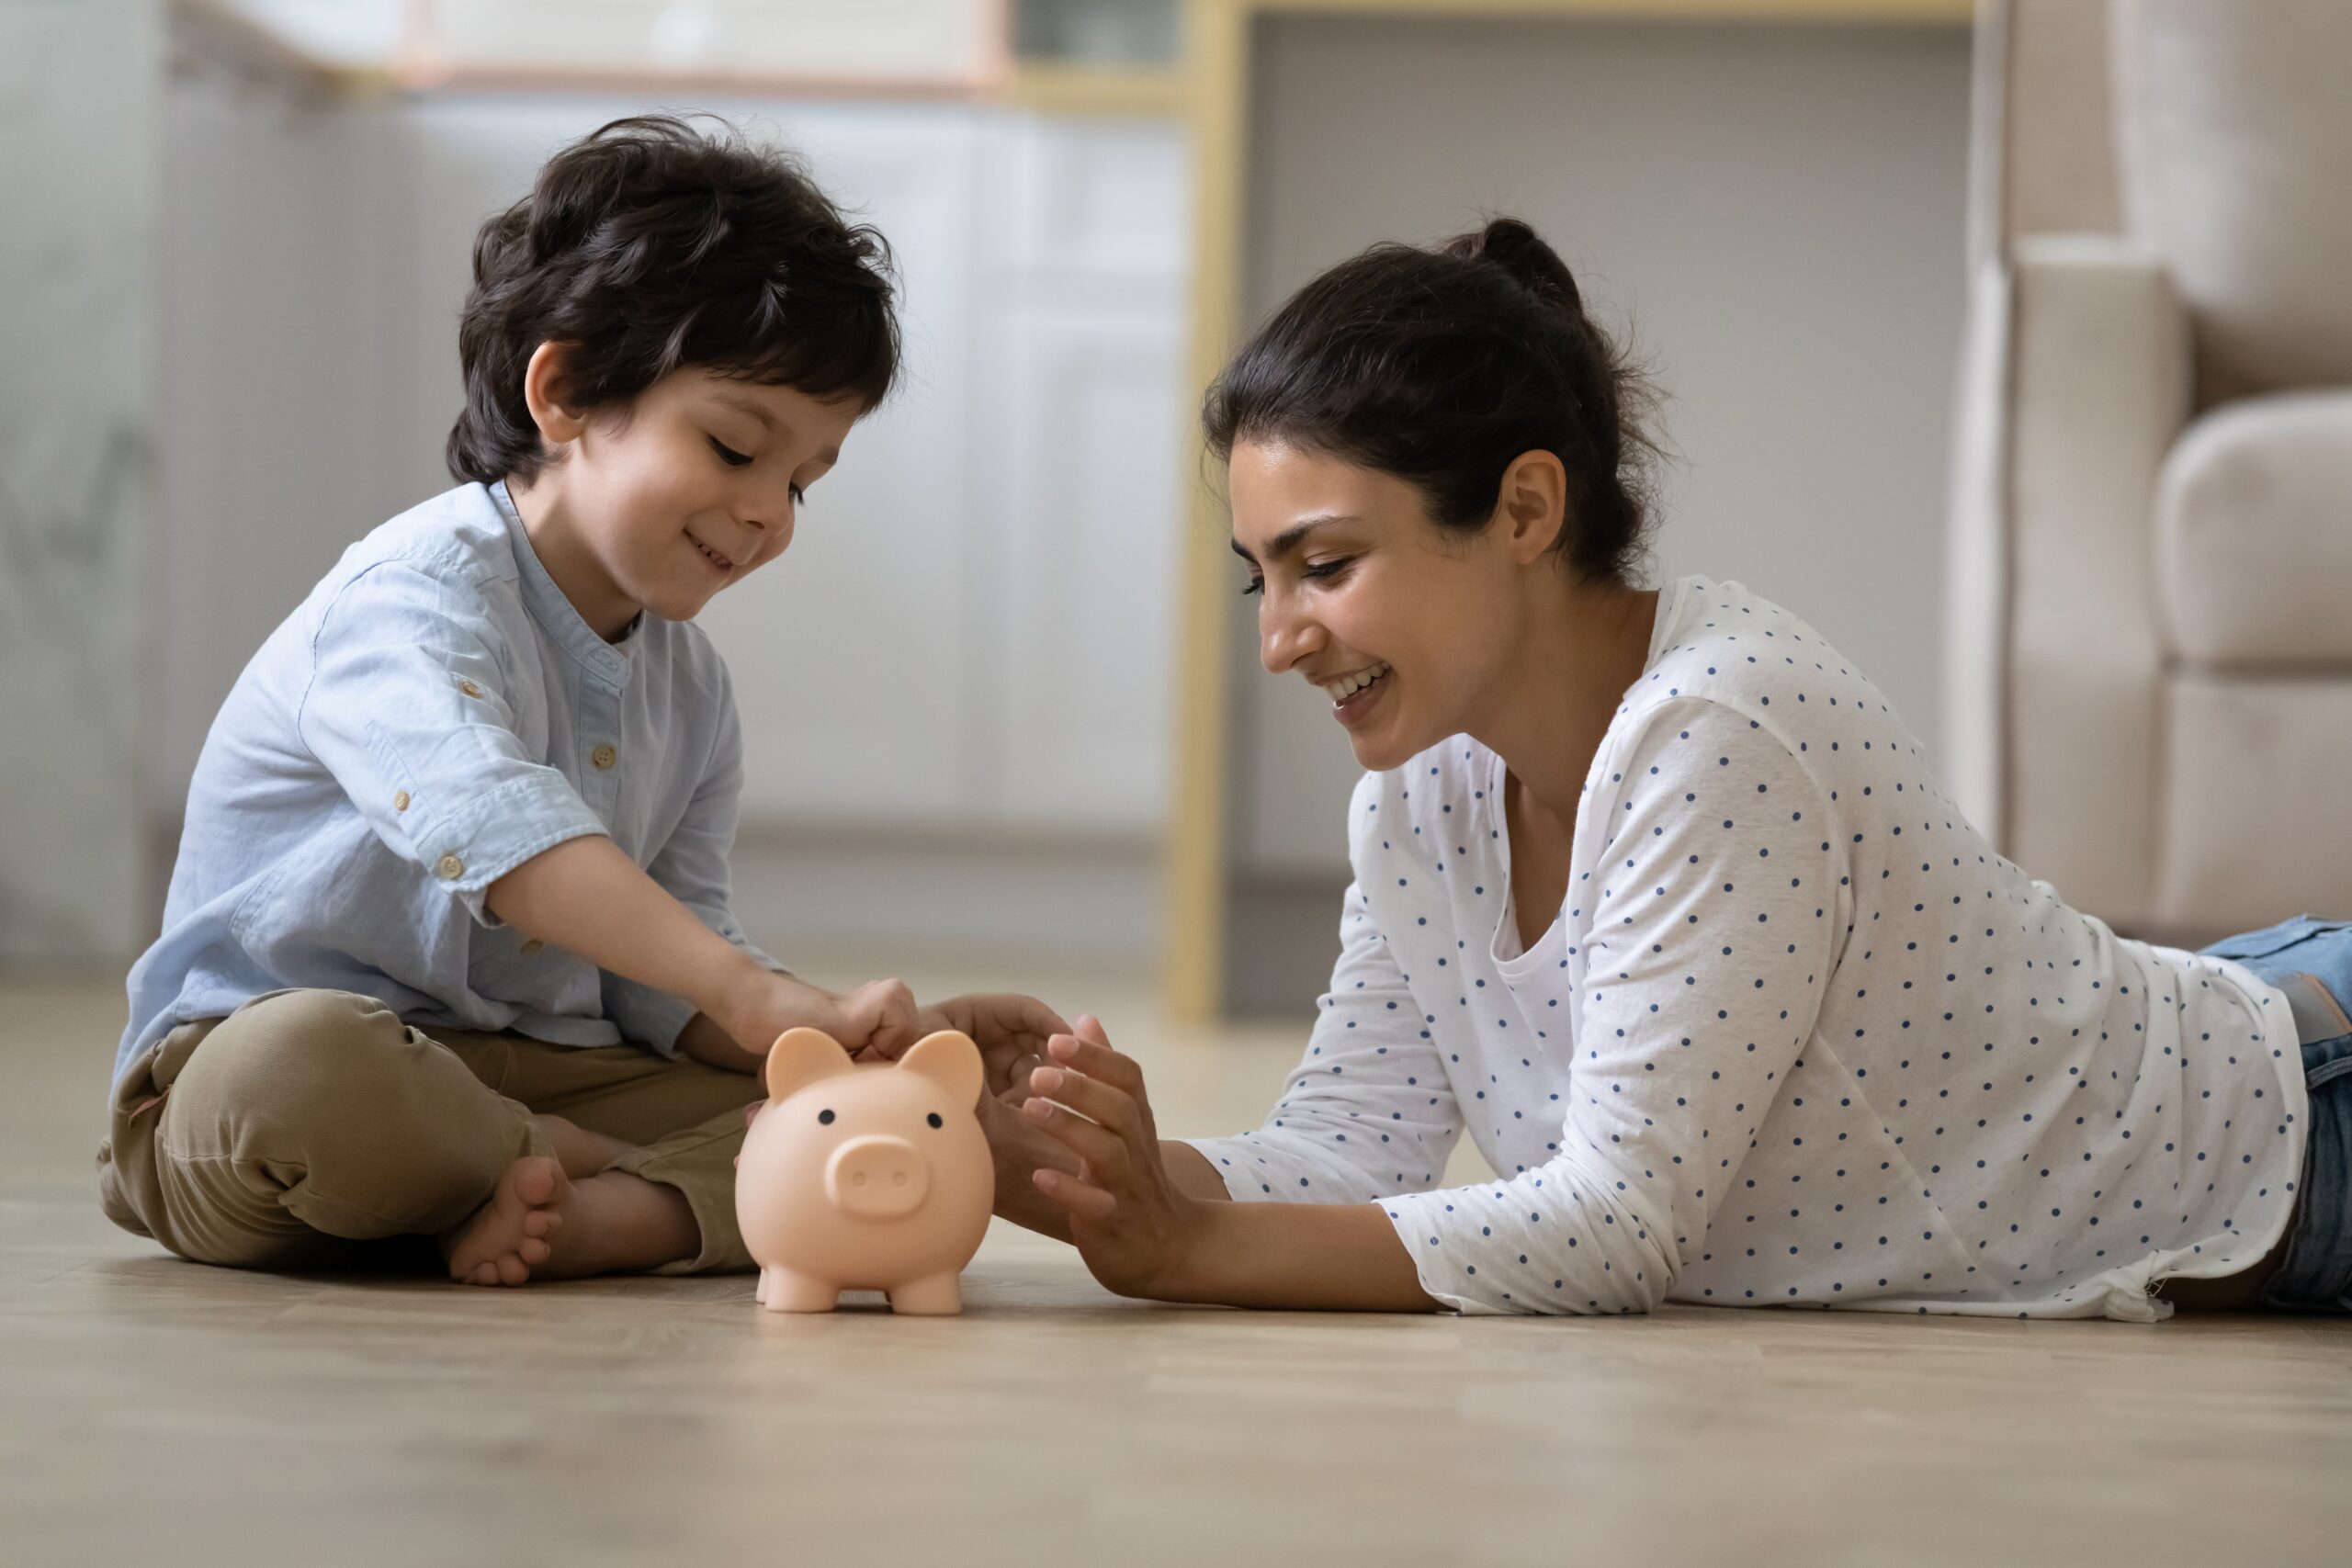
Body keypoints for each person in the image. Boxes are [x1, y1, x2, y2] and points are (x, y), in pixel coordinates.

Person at [987, 218, 2346, 1319]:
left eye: (1327, 565)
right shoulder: (1421, 798)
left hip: (2311, 1118)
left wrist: (1184, 1252)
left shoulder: (1721, 731)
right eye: (1261, 580)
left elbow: (1611, 1224)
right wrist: (1031, 1155)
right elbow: (1342, 1153)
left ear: (1526, 508)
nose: (1282, 638)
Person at [97, 115, 1065, 1287]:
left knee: (846, 1117)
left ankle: (593, 1215)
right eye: (732, 448)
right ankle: (591, 1175)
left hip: (545, 1063)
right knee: (299, 1071)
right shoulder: (409, 601)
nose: (768, 513)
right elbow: (494, 826)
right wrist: (743, 987)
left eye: (803, 483)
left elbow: (661, 972)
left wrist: (833, 1047)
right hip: (272, 1076)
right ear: (561, 394)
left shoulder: (691, 688)